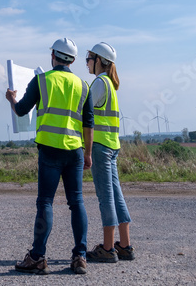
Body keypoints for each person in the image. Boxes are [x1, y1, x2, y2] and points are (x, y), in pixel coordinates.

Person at [6, 37, 93, 275]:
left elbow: (23, 109)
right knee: (77, 202)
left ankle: (37, 257)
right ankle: (80, 257)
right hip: (75, 151)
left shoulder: (42, 80)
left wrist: (12, 99)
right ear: (73, 60)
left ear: (53, 56)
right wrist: (88, 153)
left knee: (45, 202)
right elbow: (88, 123)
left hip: (49, 151)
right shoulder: (83, 86)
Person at [84, 42, 135, 263]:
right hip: (112, 147)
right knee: (116, 196)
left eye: (89, 57)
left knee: (105, 198)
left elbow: (83, 111)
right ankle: (124, 245)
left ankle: (107, 248)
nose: (87, 62)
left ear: (99, 61)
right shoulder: (111, 85)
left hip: (101, 147)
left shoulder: (99, 83)